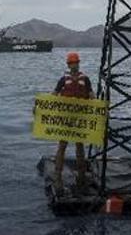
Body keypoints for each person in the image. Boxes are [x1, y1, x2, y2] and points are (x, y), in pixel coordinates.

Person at [52, 51, 95, 191]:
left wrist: (100, 108)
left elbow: (91, 96)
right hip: (66, 118)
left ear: (78, 63)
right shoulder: (63, 80)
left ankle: (81, 176)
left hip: (80, 119)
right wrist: (39, 107)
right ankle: (57, 176)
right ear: (68, 65)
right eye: (71, 63)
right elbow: (53, 96)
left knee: (80, 147)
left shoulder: (85, 79)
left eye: (75, 62)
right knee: (62, 146)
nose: (73, 65)